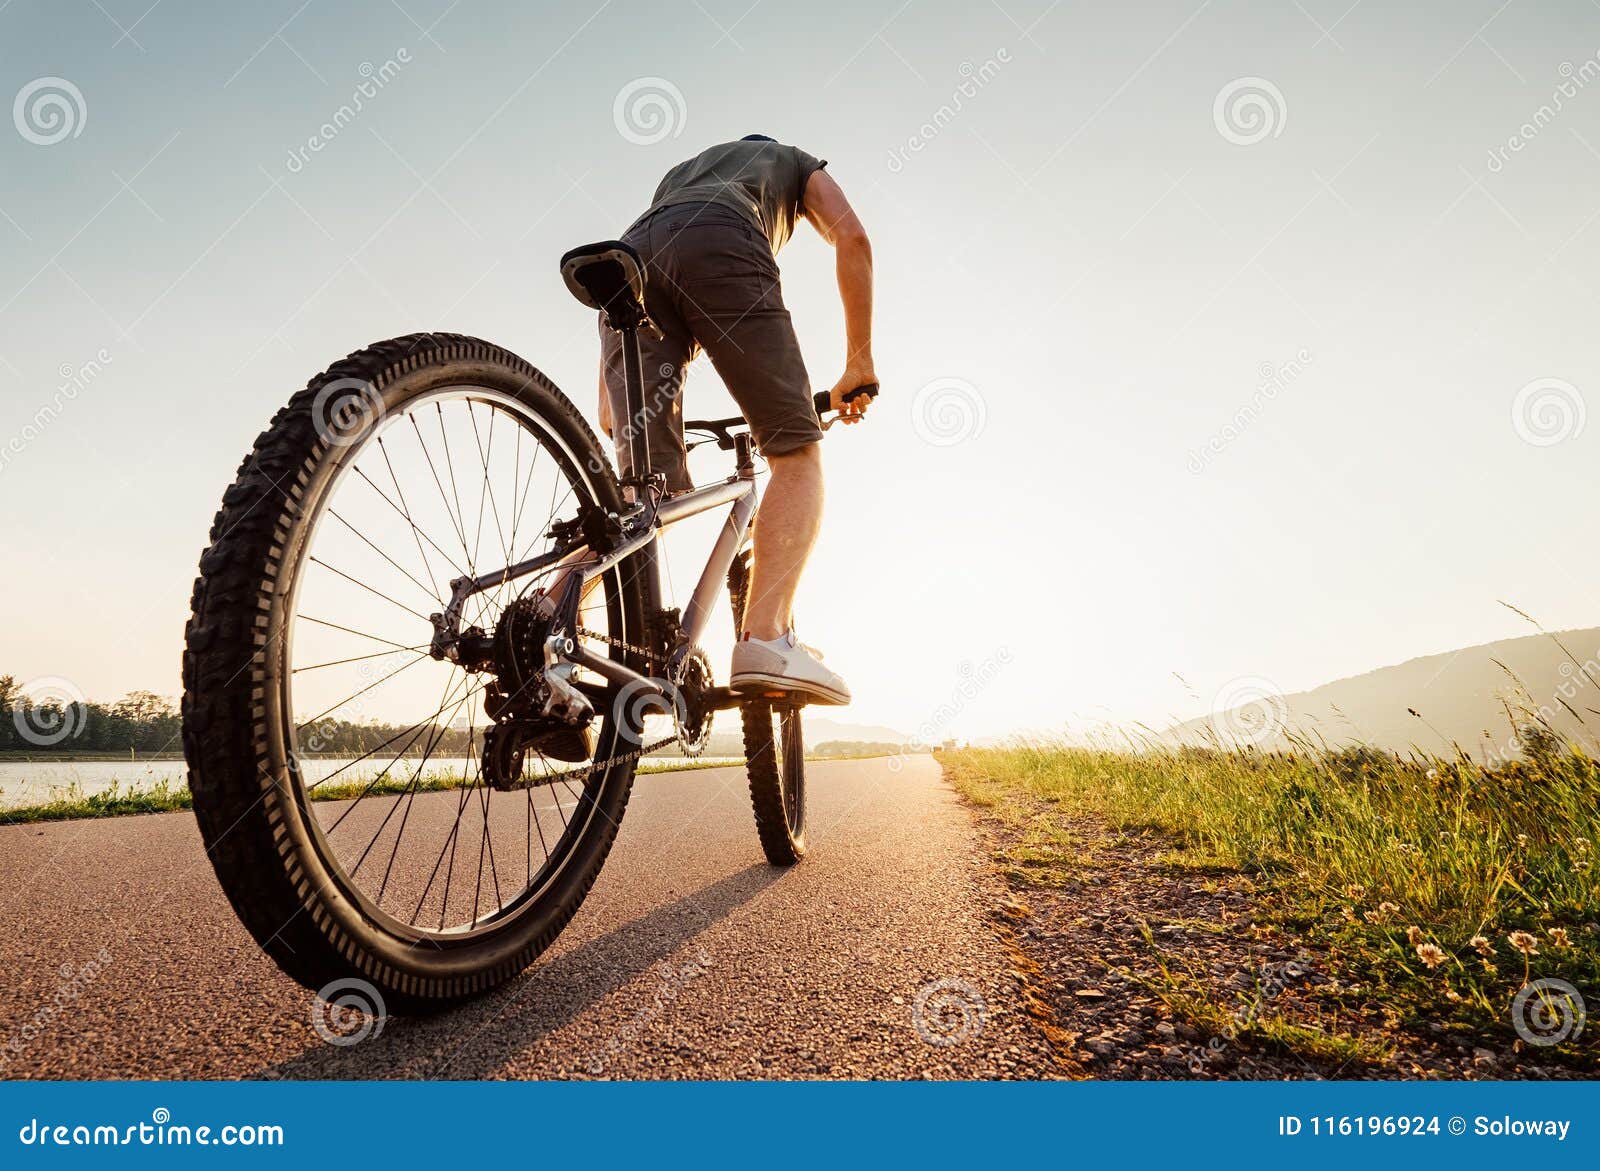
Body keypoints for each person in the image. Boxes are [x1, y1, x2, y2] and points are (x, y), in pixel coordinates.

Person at [596, 135, 874, 705]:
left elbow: (657, 255)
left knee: (641, 501)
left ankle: (548, 623)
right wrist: (858, 361)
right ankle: (765, 637)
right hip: (720, 240)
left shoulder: (680, 173)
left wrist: (612, 394)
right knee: (795, 454)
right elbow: (853, 236)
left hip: (628, 261)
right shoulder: (793, 162)